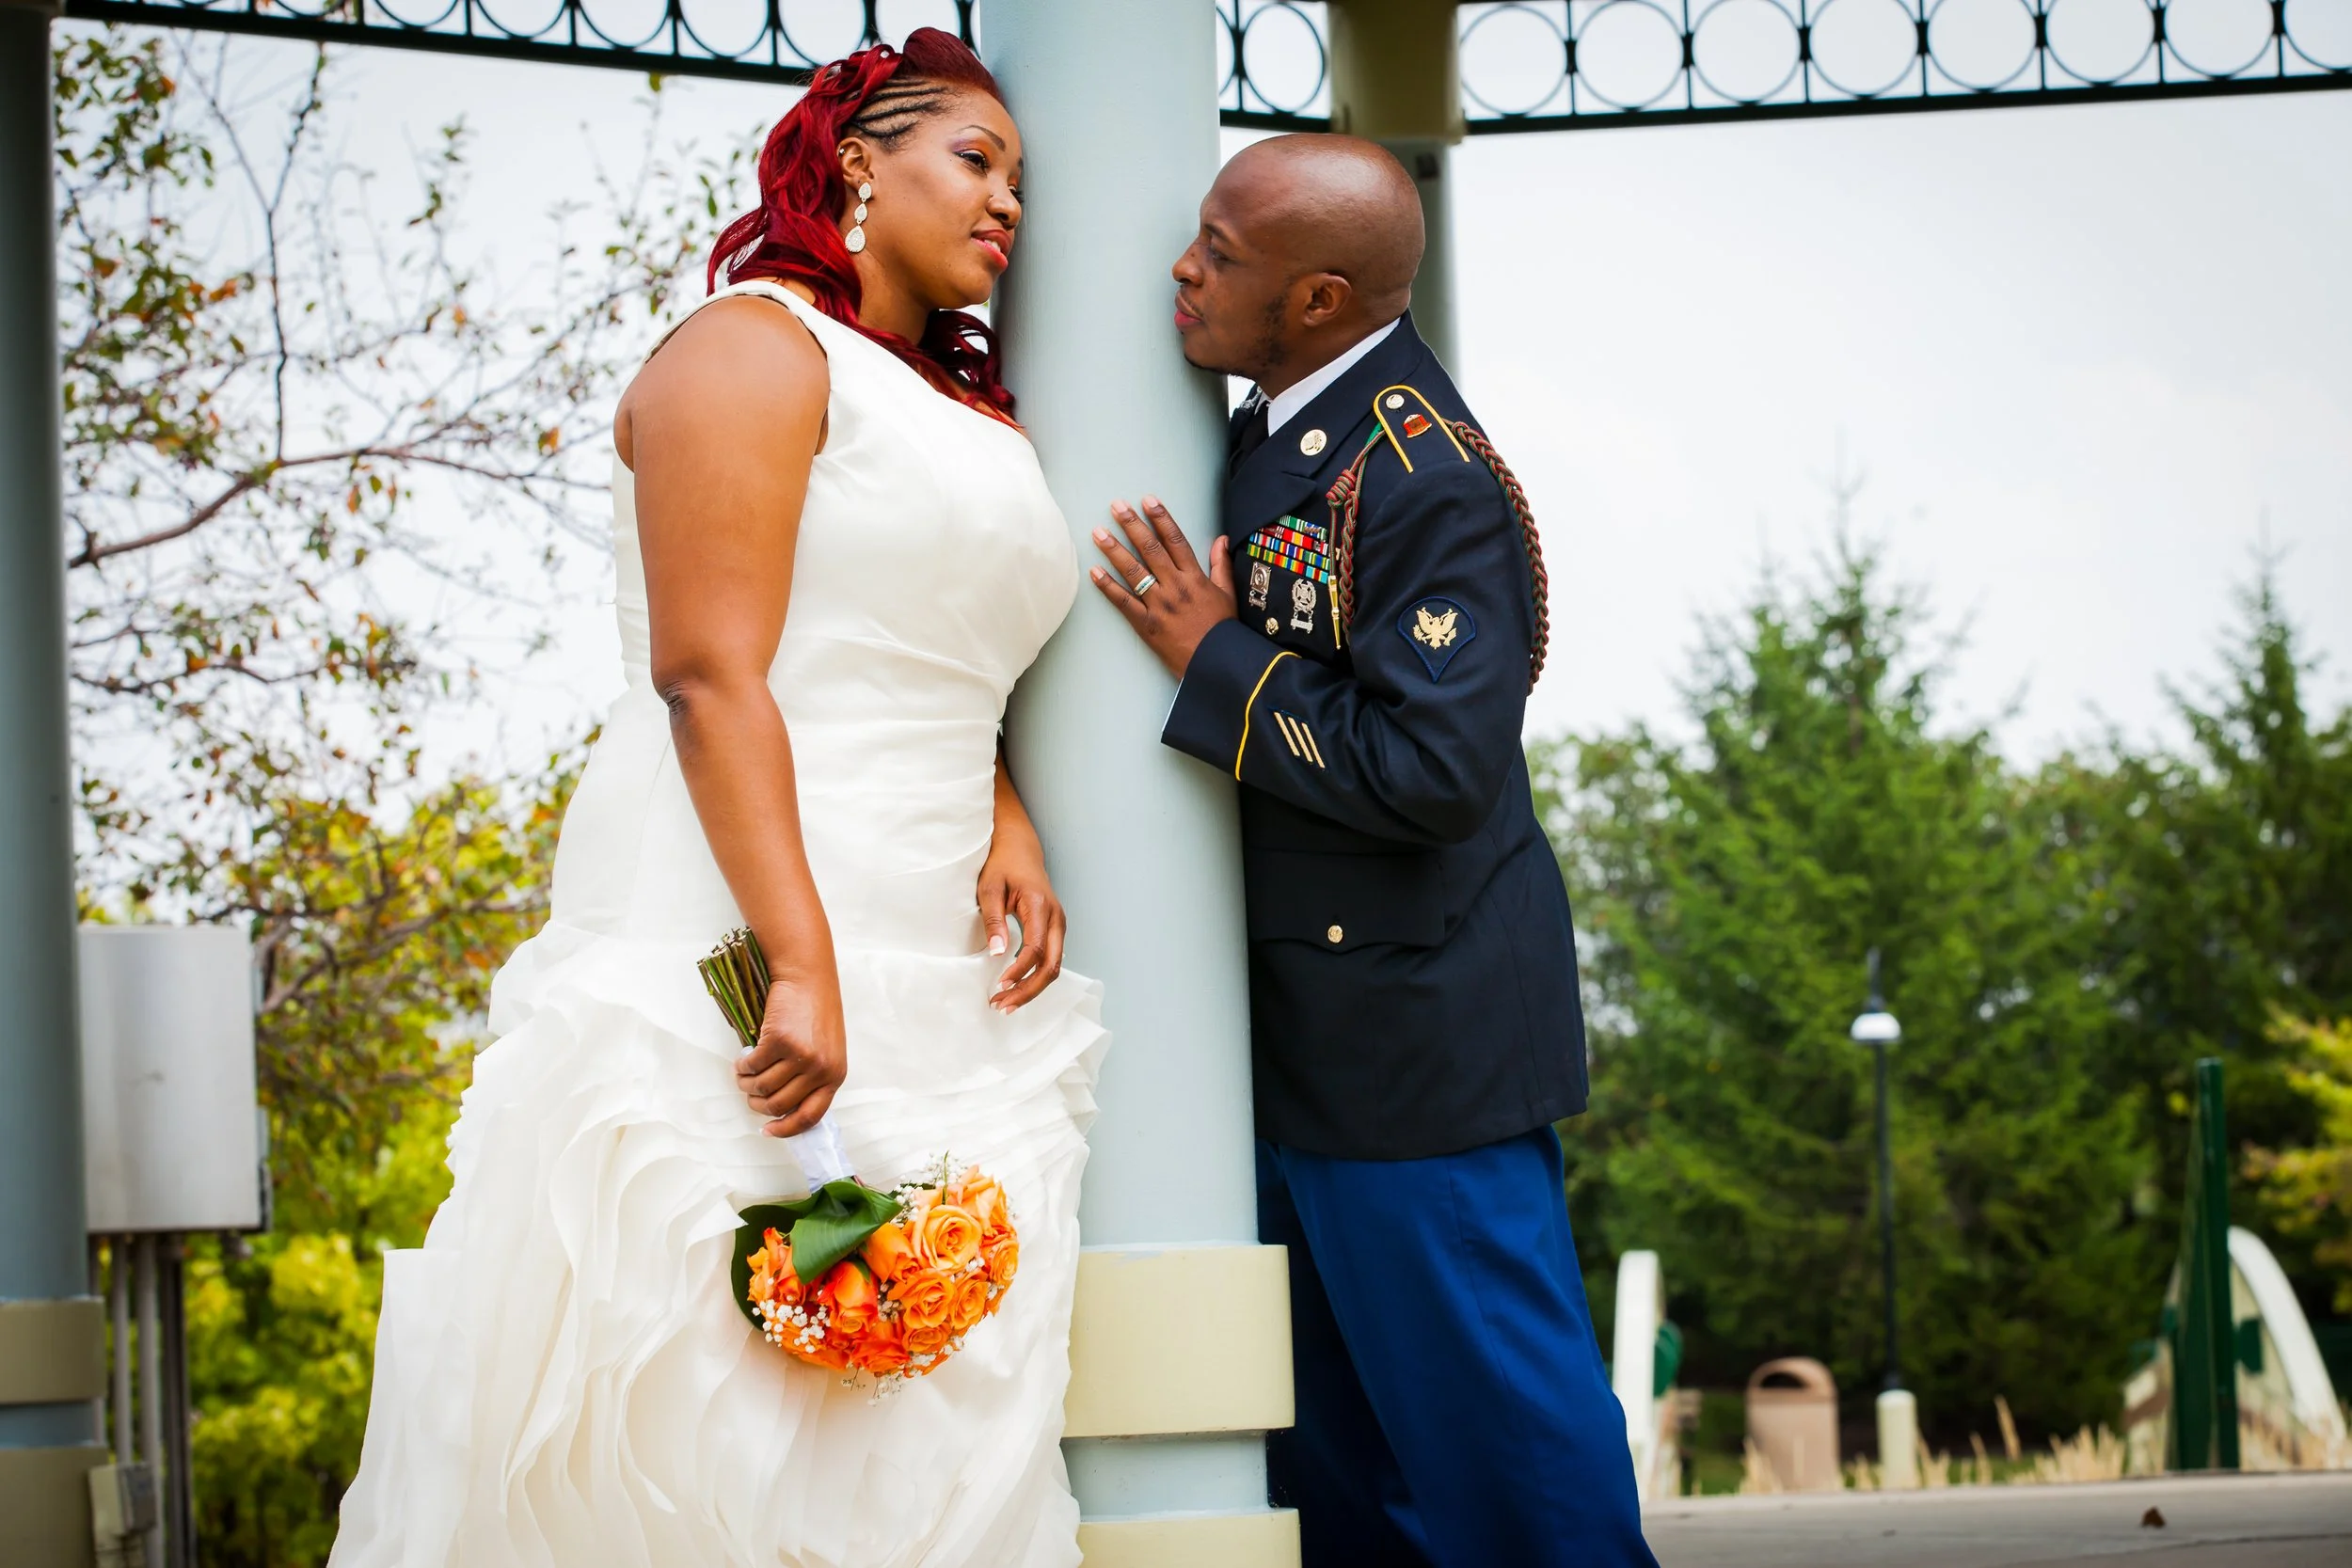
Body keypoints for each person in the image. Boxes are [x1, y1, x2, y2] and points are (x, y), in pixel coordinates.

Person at [331, 32, 1104, 1567]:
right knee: (702, 1366)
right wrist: (798, 958)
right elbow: (711, 671)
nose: (1008, 201)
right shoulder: (750, 350)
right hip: (738, 922)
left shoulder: (964, 408)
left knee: (921, 1404)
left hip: (938, 943)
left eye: (1020, 178)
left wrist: (1007, 802)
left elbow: (936, 645)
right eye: (975, 157)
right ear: (858, 162)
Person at [1089, 135, 1659, 1568]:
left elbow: (1437, 770)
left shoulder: (1426, 477)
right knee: (1345, 1482)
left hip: (1421, 1051)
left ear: (1324, 300)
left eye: (1220, 251)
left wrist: (1213, 658)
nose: (1182, 266)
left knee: (1513, 1466)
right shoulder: (1263, 423)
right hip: (1299, 1048)